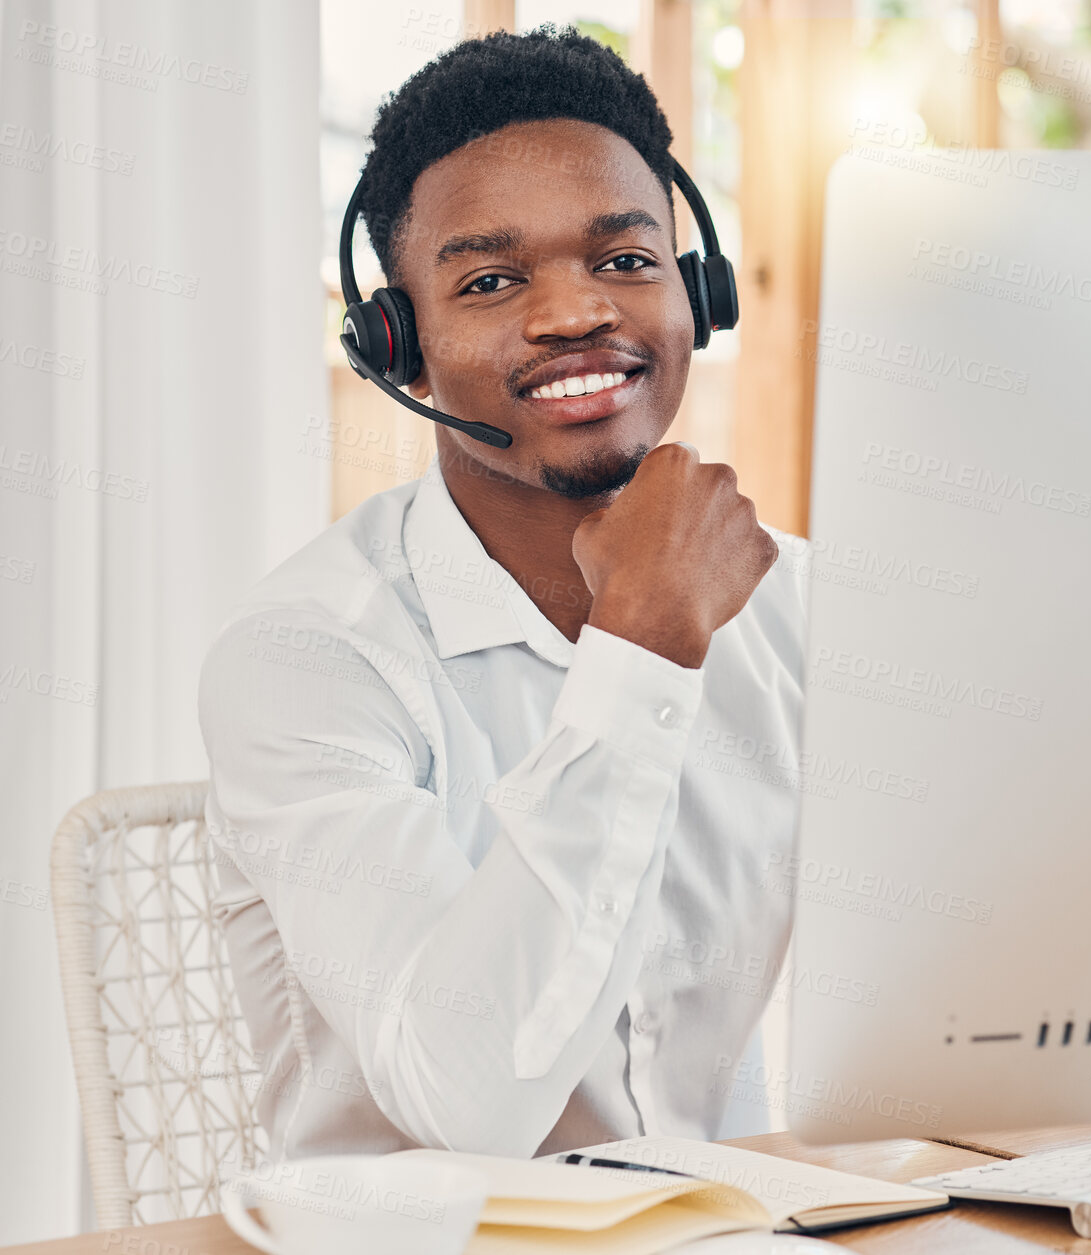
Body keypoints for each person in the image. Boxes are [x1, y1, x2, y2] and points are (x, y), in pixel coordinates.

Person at [197, 26, 804, 1161]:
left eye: (625, 260)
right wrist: (642, 647)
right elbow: (471, 1100)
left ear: (698, 295)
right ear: (398, 346)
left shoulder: (801, 606)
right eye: (490, 280)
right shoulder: (305, 657)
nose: (576, 314)